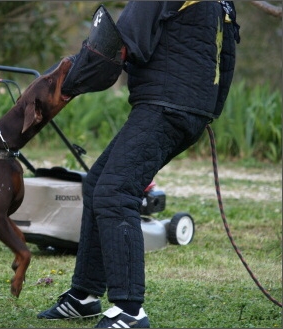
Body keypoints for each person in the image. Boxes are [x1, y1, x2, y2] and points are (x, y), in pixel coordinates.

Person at [37, 1, 240, 328]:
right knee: (98, 182)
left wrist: (62, 82)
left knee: (115, 193)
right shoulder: (221, 3)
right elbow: (226, 63)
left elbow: (117, 45)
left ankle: (130, 311)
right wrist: (207, 113)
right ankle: (84, 296)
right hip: (189, 111)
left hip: (166, 107)